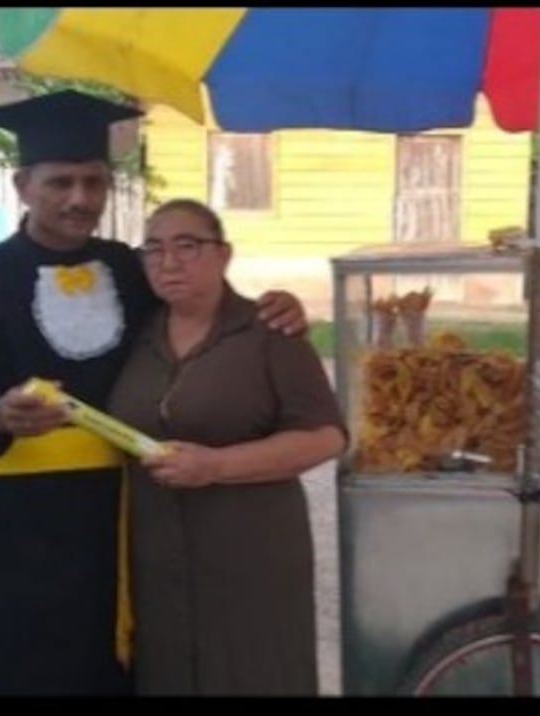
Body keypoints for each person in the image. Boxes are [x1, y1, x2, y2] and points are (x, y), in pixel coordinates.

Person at [0, 91, 308, 696]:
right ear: (22, 186)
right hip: (18, 521)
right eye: (60, 183)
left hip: (124, 507)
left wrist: (276, 306)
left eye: (93, 182)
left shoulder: (131, 270)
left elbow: (203, 311)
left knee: (113, 660)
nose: (79, 199)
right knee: (16, 662)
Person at [106, 198, 347, 696]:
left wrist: (217, 465)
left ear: (224, 254)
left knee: (252, 672)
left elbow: (326, 436)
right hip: (155, 560)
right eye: (154, 249)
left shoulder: (269, 331)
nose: (169, 262)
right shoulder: (133, 335)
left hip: (249, 556)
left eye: (187, 246)